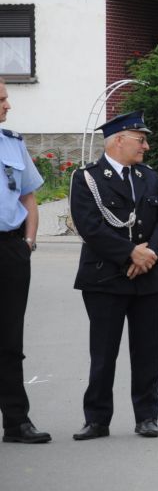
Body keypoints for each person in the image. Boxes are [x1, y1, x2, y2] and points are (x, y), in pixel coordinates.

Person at [70, 111, 158, 440]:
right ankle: (97, 419)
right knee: (103, 353)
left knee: (147, 352)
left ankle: (147, 416)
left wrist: (150, 254)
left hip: (146, 276)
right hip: (104, 278)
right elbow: (90, 226)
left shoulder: (148, 177)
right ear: (118, 140)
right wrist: (130, 253)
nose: (146, 145)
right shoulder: (86, 178)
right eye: (140, 139)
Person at [0, 79, 50, 445]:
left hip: (11, 249)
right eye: (2, 99)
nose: (8, 105)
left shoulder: (13, 144)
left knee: (9, 339)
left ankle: (16, 422)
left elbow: (29, 198)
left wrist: (28, 242)